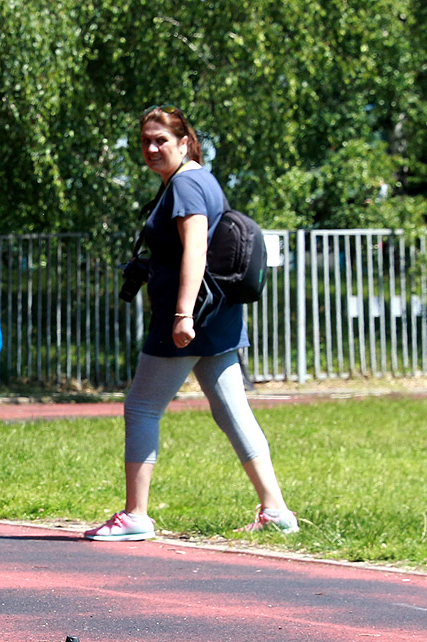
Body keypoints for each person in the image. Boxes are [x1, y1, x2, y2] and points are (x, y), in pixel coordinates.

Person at [85, 104, 296, 542]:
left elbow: (195, 249)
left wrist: (182, 315)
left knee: (141, 407)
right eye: (145, 140)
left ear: (184, 141)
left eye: (161, 139)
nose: (151, 147)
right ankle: (275, 510)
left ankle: (136, 515)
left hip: (189, 316)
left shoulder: (185, 185)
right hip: (217, 315)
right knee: (231, 409)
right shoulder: (197, 179)